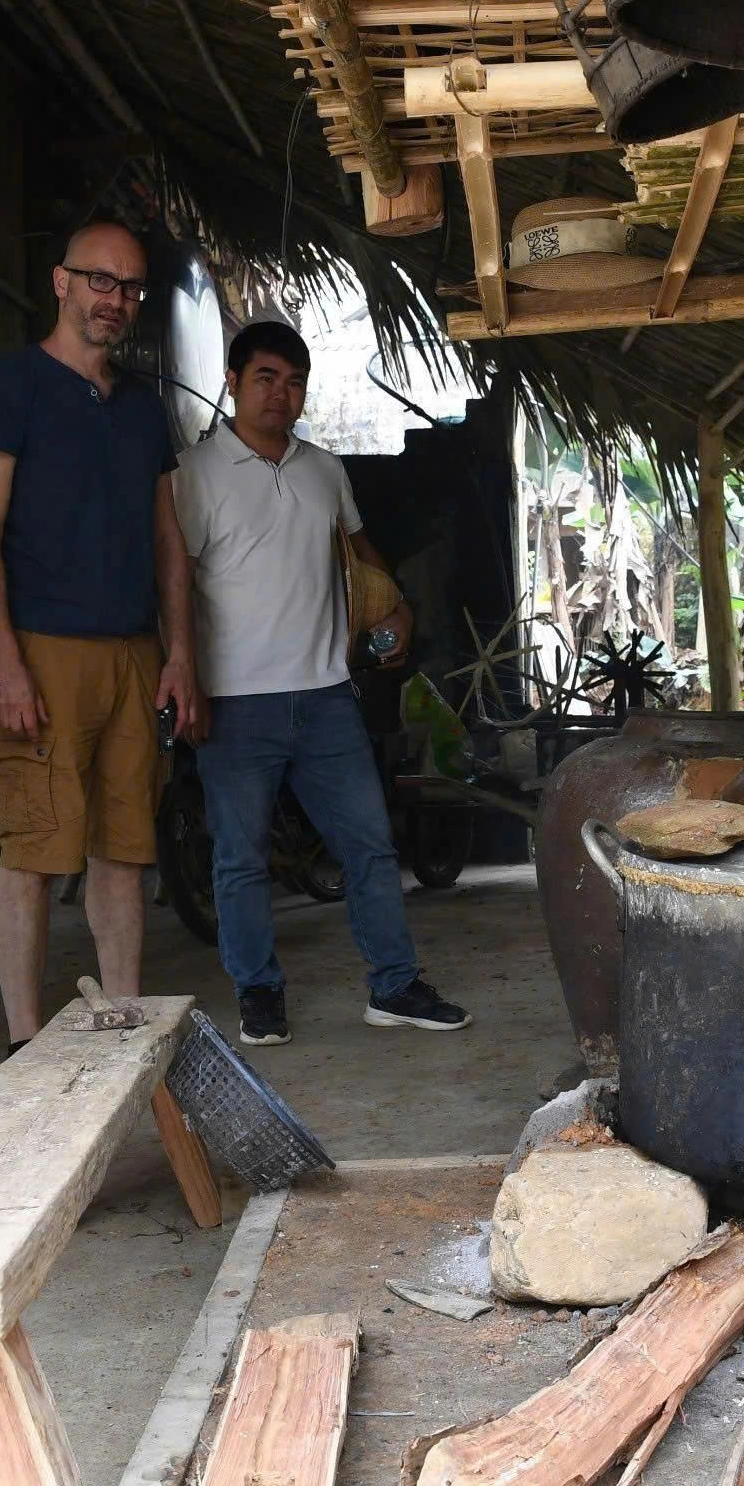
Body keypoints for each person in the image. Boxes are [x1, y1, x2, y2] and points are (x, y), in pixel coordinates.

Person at [172, 320, 467, 1047]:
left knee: (369, 843)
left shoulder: (324, 469)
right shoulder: (192, 474)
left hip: (328, 693)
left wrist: (394, 604)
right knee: (238, 859)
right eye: (265, 377)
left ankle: (394, 984)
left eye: (294, 380)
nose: (281, 392)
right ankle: (259, 994)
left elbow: (361, 553)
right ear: (233, 382)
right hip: (235, 700)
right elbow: (172, 581)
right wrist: (184, 675)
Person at [0, 222, 201, 1045]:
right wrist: (5, 664)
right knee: (33, 846)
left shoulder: (141, 406)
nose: (117, 300)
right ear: (61, 281)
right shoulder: (10, 387)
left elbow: (168, 538)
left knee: (125, 847)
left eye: (130, 288)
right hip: (44, 650)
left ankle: (125, 1019)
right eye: (102, 281)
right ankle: (24, 1039)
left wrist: (179, 655)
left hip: (135, 652)